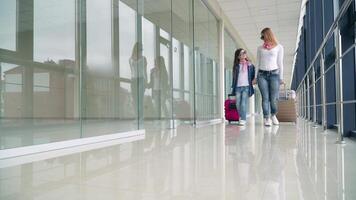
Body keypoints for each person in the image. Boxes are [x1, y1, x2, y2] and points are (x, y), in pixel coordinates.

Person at [253, 27, 284, 126]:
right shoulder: (260, 48)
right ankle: (267, 118)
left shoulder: (279, 47)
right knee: (265, 98)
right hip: (262, 75)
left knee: (273, 98)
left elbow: (280, 63)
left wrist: (281, 77)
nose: (262, 38)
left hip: (274, 75)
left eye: (263, 35)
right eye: (262, 36)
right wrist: (255, 77)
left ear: (268, 35)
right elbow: (257, 62)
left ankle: (273, 115)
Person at [231, 48, 256, 126]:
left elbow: (253, 75)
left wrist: (250, 65)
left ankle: (243, 119)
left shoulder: (250, 65)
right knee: (238, 104)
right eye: (242, 53)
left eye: (245, 52)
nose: (244, 54)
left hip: (246, 87)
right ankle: (241, 116)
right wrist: (233, 87)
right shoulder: (236, 66)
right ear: (238, 56)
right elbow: (234, 77)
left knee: (243, 103)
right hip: (238, 87)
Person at [130, 42, 147, 121]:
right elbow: (132, 71)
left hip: (141, 79)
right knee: (135, 99)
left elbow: (145, 71)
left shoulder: (144, 58)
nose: (141, 50)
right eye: (140, 48)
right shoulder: (130, 59)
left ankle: (141, 116)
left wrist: (146, 81)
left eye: (141, 48)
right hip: (133, 80)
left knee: (140, 98)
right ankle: (137, 116)